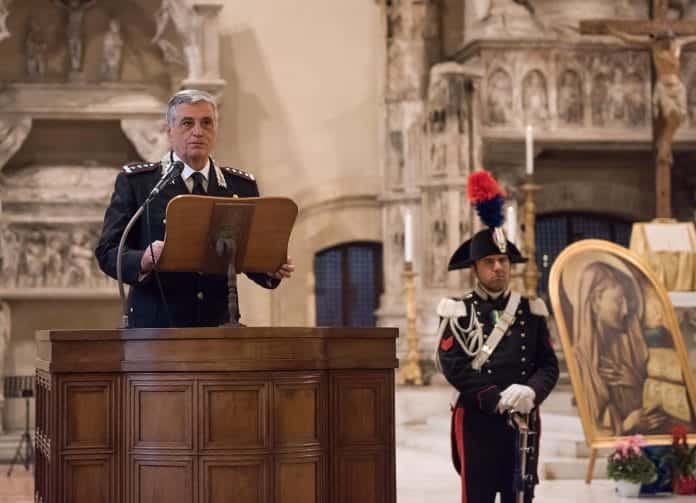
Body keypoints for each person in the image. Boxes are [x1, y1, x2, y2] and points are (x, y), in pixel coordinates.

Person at [95, 89, 294, 328]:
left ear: (215, 130)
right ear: (169, 131)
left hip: (218, 327)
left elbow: (244, 256)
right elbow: (107, 252)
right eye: (187, 123)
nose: (198, 132)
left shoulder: (239, 186)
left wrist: (270, 266)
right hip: (155, 329)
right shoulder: (140, 183)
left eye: (206, 123)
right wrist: (143, 259)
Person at [436, 170, 558, 503]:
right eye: (490, 262)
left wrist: (530, 392)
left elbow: (549, 365)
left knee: (521, 496)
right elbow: (454, 365)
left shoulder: (531, 309)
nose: (499, 268)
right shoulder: (458, 310)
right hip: (478, 420)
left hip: (523, 419)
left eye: (503, 261)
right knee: (478, 496)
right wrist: (494, 397)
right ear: (475, 267)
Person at [571, 260, 669, 435]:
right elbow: (597, 426)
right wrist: (626, 425)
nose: (625, 311)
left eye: (626, 301)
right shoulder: (580, 358)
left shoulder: (632, 344)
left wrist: (634, 380)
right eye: (617, 302)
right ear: (595, 302)